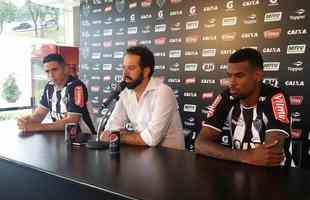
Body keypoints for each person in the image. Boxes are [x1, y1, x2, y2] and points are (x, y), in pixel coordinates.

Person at [195, 48, 291, 167]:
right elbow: (200, 144)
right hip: (239, 170)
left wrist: (238, 156)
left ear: (258, 75)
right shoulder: (227, 96)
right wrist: (246, 156)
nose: (232, 82)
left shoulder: (275, 97)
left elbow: (272, 153)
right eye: (229, 76)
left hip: (276, 176)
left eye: (239, 76)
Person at [100, 45, 184, 150]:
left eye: (131, 68)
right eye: (124, 68)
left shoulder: (163, 92)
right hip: (141, 155)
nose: (124, 74)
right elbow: (109, 130)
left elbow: (151, 139)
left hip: (169, 159)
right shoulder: (125, 93)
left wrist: (119, 136)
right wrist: (119, 135)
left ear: (146, 71)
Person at [17, 54, 95, 134]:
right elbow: (40, 114)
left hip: (84, 139)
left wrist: (37, 126)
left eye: (54, 70)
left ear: (65, 69)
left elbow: (72, 121)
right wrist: (28, 120)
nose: (51, 75)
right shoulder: (49, 87)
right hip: (61, 137)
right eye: (47, 71)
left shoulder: (76, 86)